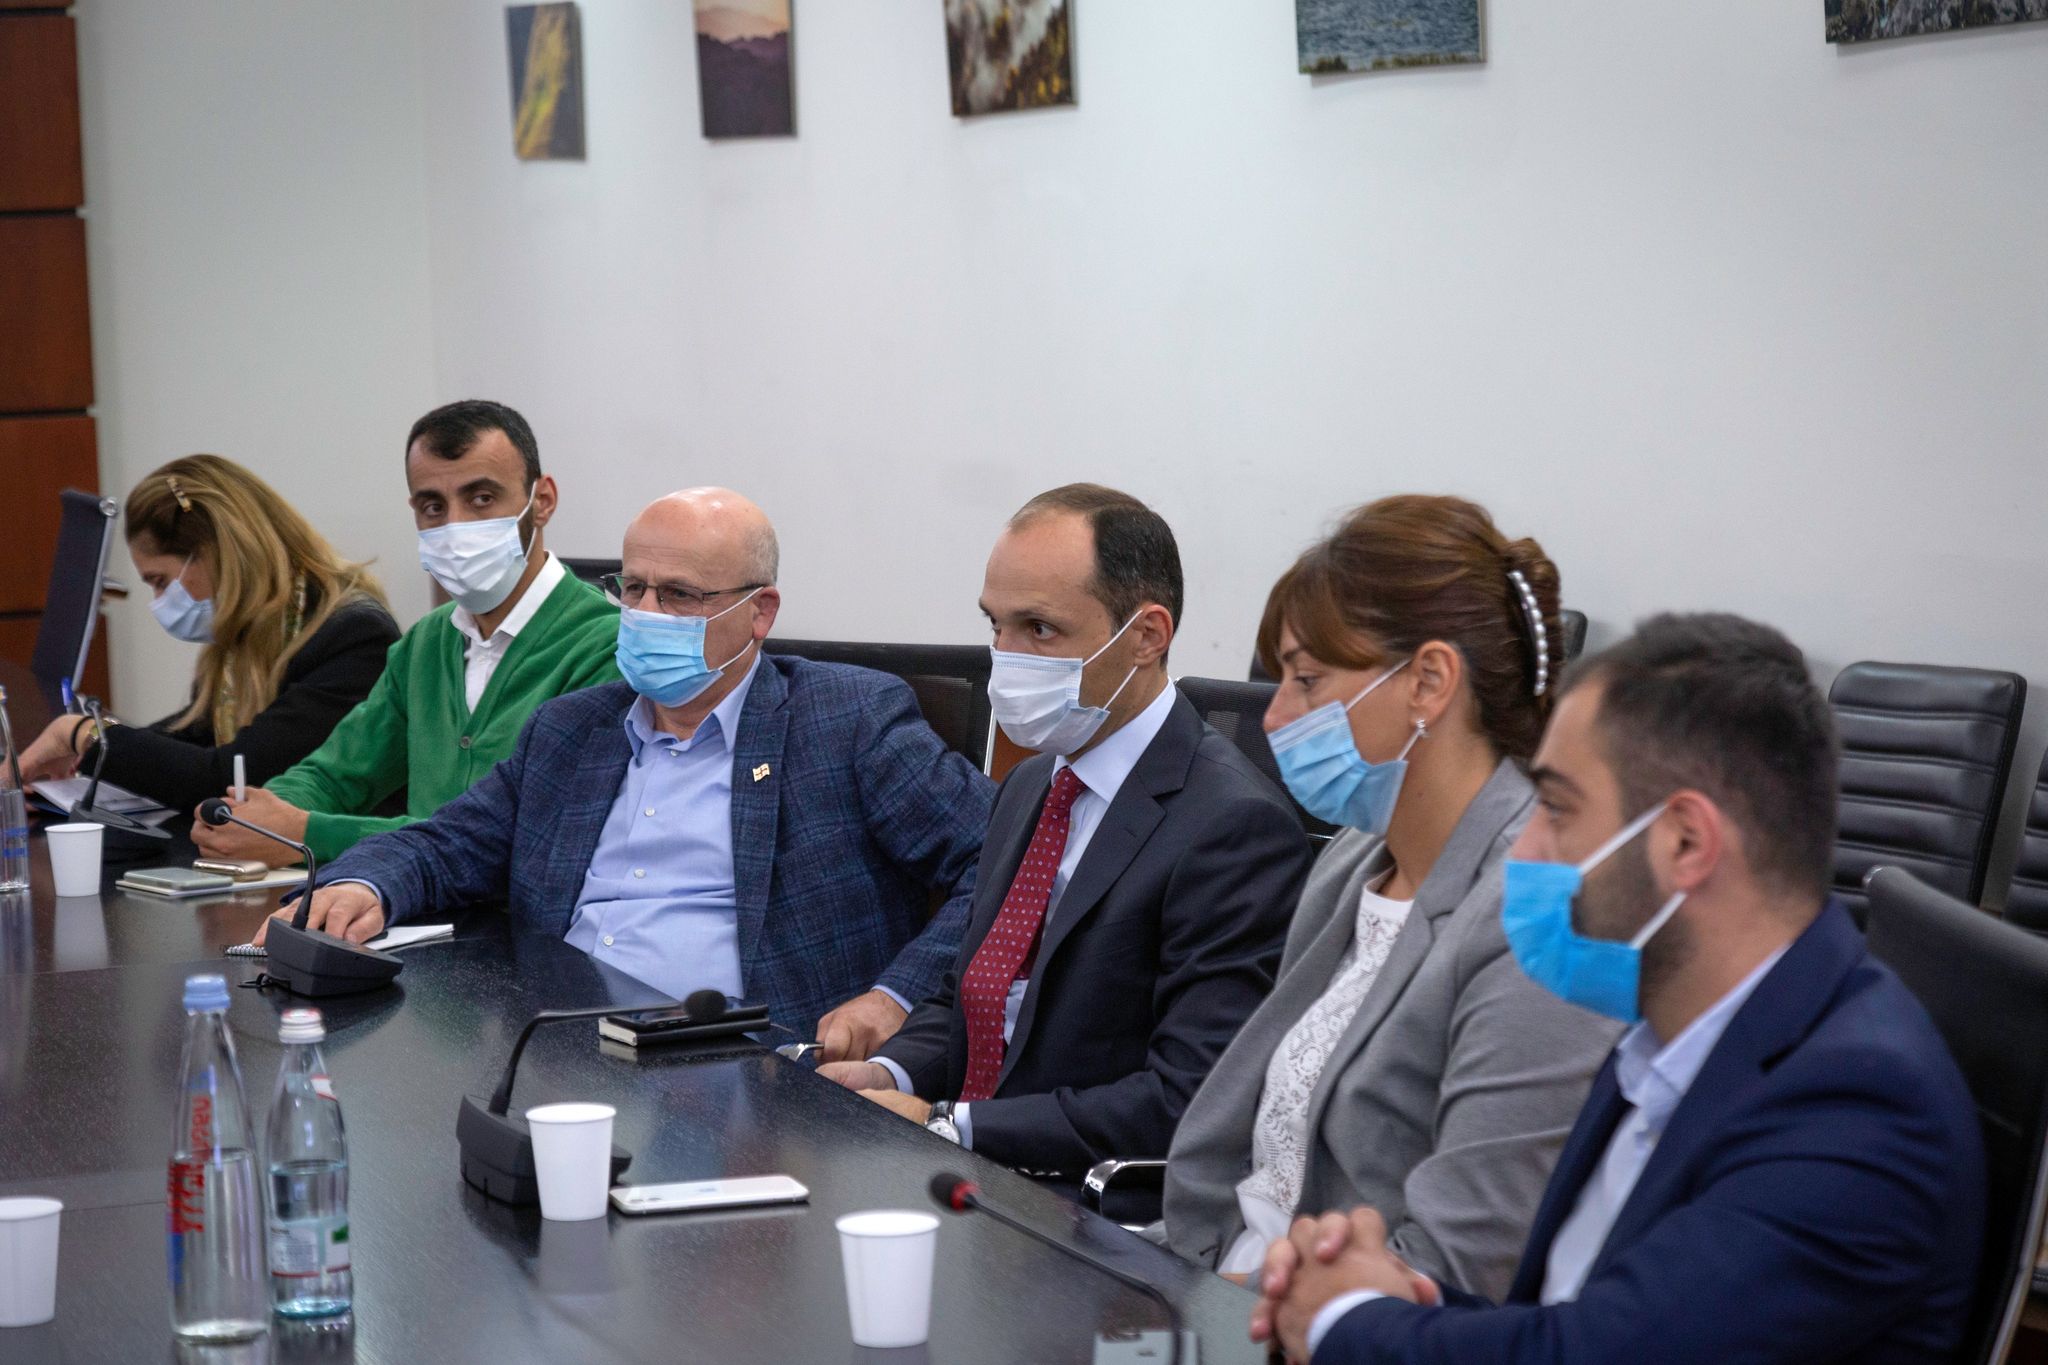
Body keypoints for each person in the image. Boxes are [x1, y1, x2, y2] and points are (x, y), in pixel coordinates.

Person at [1253, 613, 1985, 1365]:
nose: (1526, 847)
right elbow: (1574, 1308)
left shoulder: (1857, 1110)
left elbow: (1602, 1353)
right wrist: (1402, 1297)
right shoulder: (1665, 1038)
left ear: (1686, 843)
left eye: (1557, 809)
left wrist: (1343, 1318)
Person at [254, 487, 995, 1051]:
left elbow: (1004, 865)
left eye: (679, 595)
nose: (644, 612)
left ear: (760, 612)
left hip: (746, 1064)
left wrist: (896, 996)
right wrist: (364, 882)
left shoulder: (847, 720)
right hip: (552, 1042)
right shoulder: (573, 728)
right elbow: (448, 842)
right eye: (631, 588)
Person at [1159, 495, 1618, 1297]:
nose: (1275, 715)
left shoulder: (1544, 913)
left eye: (1307, 679)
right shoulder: (1354, 860)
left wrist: (1250, 1304)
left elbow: (1465, 1260)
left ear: (1429, 682)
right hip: (1213, 1276)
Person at [817, 484, 1312, 1193]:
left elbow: (1189, 1098)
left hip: (1081, 1201)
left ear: (1147, 635)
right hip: (961, 1167)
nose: (1006, 656)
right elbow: (977, 992)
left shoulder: (1232, 827)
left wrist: (949, 1124)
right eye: (996, 625)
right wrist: (891, 1073)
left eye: (1040, 630)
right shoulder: (1033, 784)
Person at [192, 400, 619, 868]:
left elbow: (520, 836)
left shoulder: (605, 646)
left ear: (542, 501)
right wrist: (254, 818)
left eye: (481, 499)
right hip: (398, 901)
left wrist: (305, 832)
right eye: (433, 506)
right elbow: (336, 773)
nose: (455, 526)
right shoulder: (426, 643)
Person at [17, 455, 398, 813]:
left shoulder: (355, 637)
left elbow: (231, 778)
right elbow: (196, 732)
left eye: (160, 581)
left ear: (216, 553)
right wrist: (91, 753)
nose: (159, 602)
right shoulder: (248, 637)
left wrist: (84, 734)